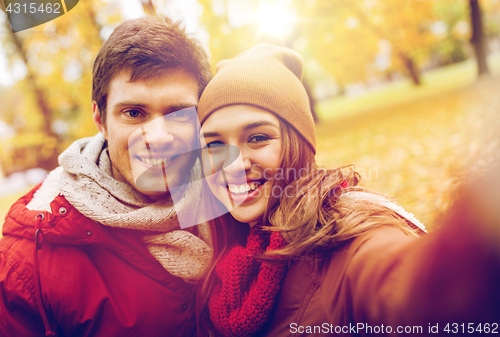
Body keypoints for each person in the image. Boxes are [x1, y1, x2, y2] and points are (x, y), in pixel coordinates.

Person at [196, 44, 500, 336]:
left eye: (258, 137)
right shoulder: (224, 246)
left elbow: (413, 291)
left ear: (299, 145)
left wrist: (474, 245)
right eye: (215, 145)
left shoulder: (339, 233)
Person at [0, 16, 213, 336]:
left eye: (178, 114)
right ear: (100, 119)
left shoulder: (238, 199)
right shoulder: (29, 260)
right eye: (134, 113)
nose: (158, 137)